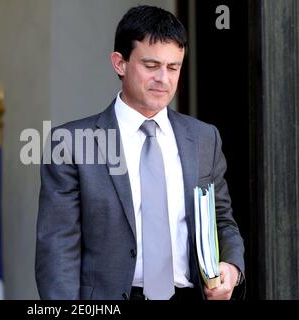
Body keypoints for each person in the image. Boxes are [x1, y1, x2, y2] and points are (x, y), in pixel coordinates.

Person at [35, 5, 245, 300]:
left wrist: (232, 268)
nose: (164, 78)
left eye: (174, 67)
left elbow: (222, 219)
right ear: (119, 63)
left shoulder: (203, 138)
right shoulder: (70, 143)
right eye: (151, 65)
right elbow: (58, 248)